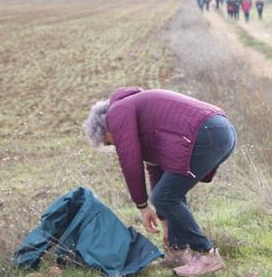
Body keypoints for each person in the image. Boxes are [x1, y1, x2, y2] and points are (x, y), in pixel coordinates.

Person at [83, 87, 236, 276]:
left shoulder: (117, 114)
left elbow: (130, 161)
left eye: (108, 142)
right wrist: (165, 221)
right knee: (169, 193)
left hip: (208, 133)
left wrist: (142, 205)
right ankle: (177, 252)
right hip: (219, 130)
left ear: (105, 127)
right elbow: (157, 169)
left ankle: (207, 255)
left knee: (165, 196)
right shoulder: (135, 113)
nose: (114, 146)